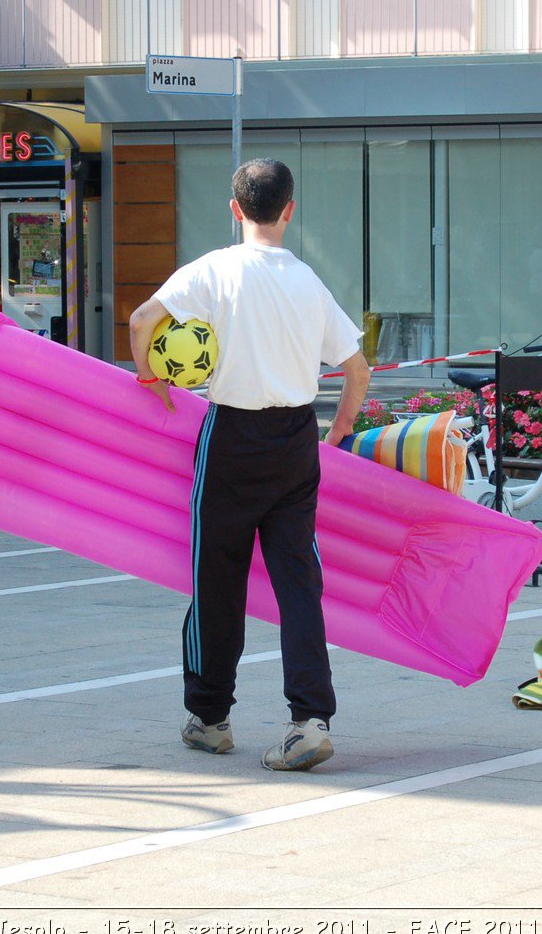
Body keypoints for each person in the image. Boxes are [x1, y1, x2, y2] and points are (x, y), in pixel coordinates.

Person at [128, 158, 371, 773]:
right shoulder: (308, 282)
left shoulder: (213, 270)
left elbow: (141, 321)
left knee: (217, 577)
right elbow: (357, 367)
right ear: (290, 210)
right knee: (298, 581)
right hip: (294, 437)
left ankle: (210, 720)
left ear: (235, 210)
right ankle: (309, 719)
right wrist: (340, 426)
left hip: (231, 434)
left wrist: (152, 377)